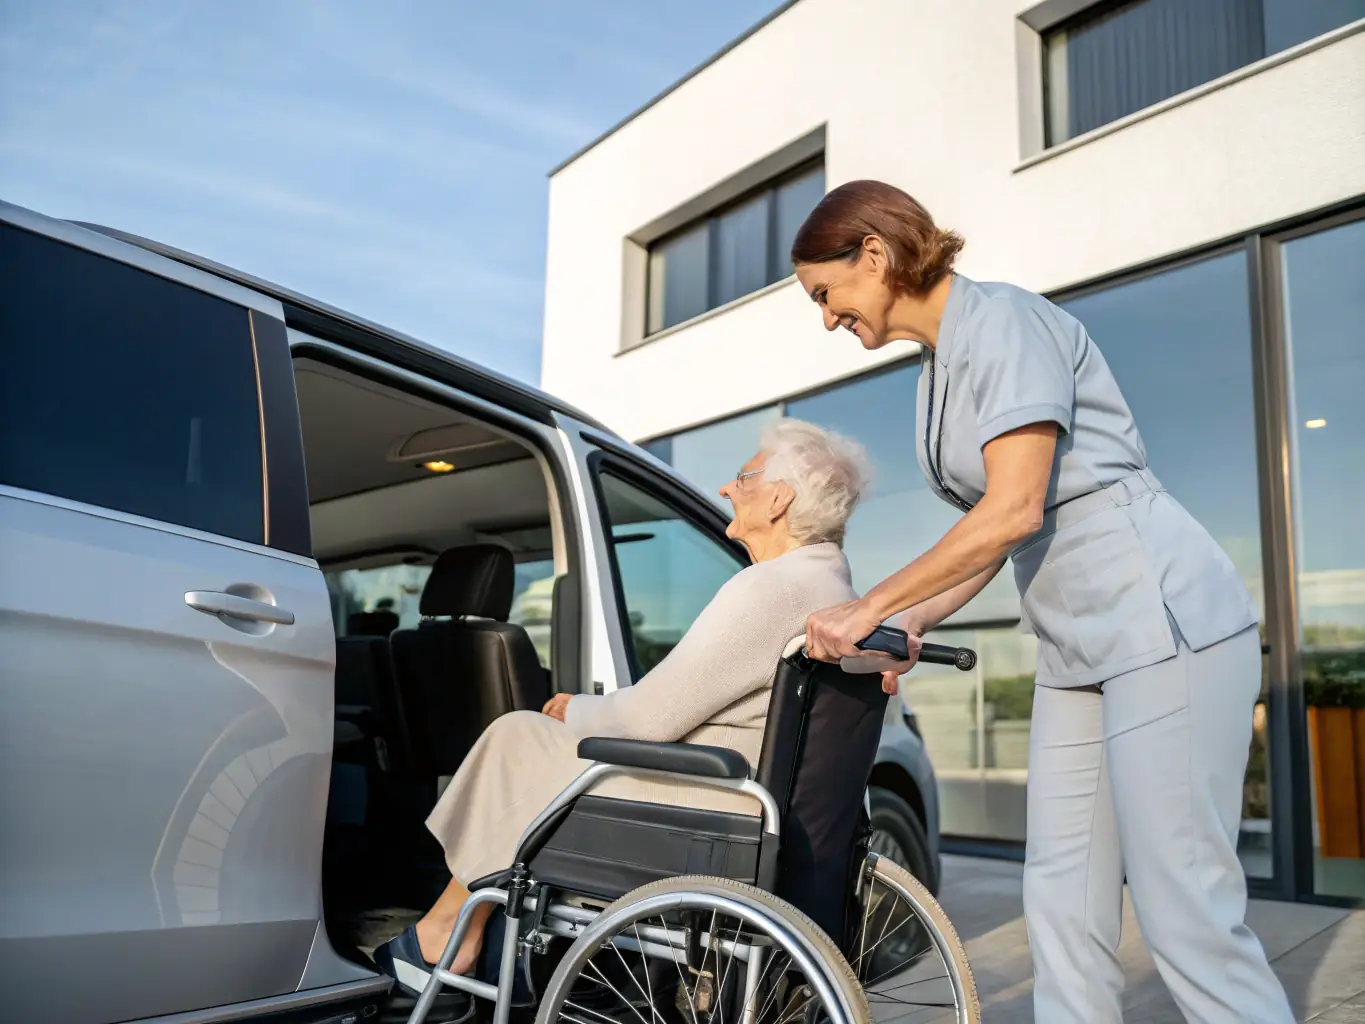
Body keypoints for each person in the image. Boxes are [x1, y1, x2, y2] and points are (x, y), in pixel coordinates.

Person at [792, 180, 1293, 1024]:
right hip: (1073, 650)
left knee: (1183, 904)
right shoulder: (936, 371)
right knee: (1060, 900)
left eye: (823, 293)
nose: (826, 317)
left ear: (872, 255)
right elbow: (992, 536)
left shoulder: (1003, 322)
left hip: (1158, 621)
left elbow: (1015, 508)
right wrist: (909, 620)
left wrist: (867, 601)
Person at [375, 418, 873, 994]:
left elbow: (647, 720)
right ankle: (474, 931)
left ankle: (449, 931)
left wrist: (575, 710)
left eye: (744, 477)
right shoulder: (838, 596)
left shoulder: (770, 588)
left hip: (712, 804)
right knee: (539, 745)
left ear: (780, 498)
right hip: (757, 800)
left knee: (519, 733)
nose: (727, 489)